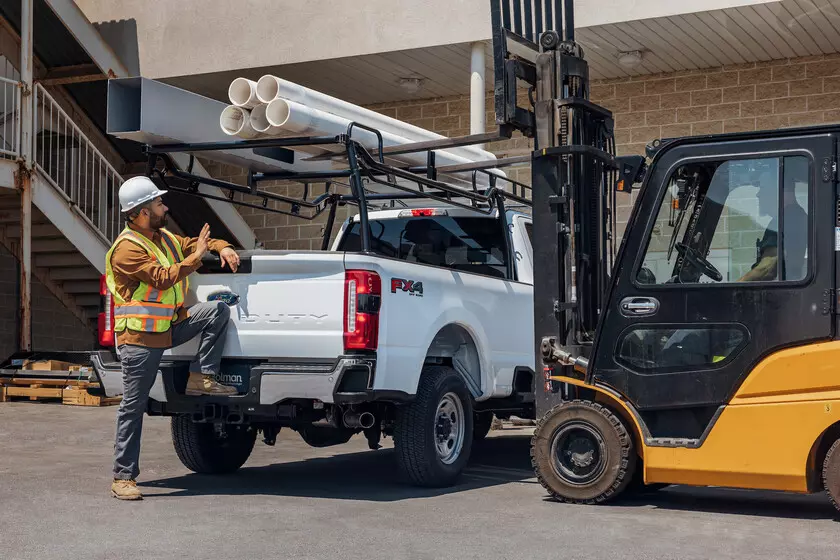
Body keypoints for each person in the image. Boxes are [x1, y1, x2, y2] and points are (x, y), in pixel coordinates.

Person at [106, 176, 241, 501]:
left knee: (216, 312)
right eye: (158, 203)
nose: (164, 207)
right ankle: (123, 477)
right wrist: (195, 257)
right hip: (138, 339)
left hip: (167, 328)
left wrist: (223, 246)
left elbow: (192, 242)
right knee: (133, 406)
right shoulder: (126, 249)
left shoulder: (160, 237)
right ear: (140, 213)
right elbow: (162, 278)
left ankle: (201, 377)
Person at [739, 165, 807, 282]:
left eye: (763, 188)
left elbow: (766, 268)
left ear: (781, 190)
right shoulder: (792, 216)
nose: (758, 194)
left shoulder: (789, 219)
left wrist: (738, 284)